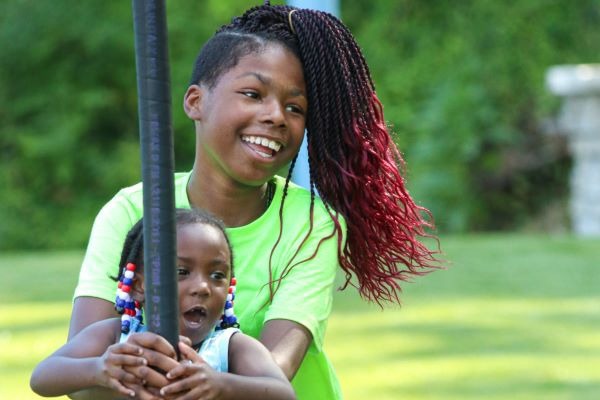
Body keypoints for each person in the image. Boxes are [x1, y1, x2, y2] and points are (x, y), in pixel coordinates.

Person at [68, 2, 440, 398]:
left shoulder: (311, 224)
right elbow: (79, 377)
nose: (276, 116)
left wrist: (188, 378)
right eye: (252, 93)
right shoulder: (131, 212)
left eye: (295, 107)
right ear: (195, 102)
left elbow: (273, 375)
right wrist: (122, 371)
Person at [31, 209, 296, 400]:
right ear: (138, 286)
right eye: (181, 272)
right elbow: (43, 377)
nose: (202, 287)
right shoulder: (117, 337)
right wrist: (100, 369)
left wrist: (220, 385)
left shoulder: (230, 347)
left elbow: (283, 393)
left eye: (217, 275)